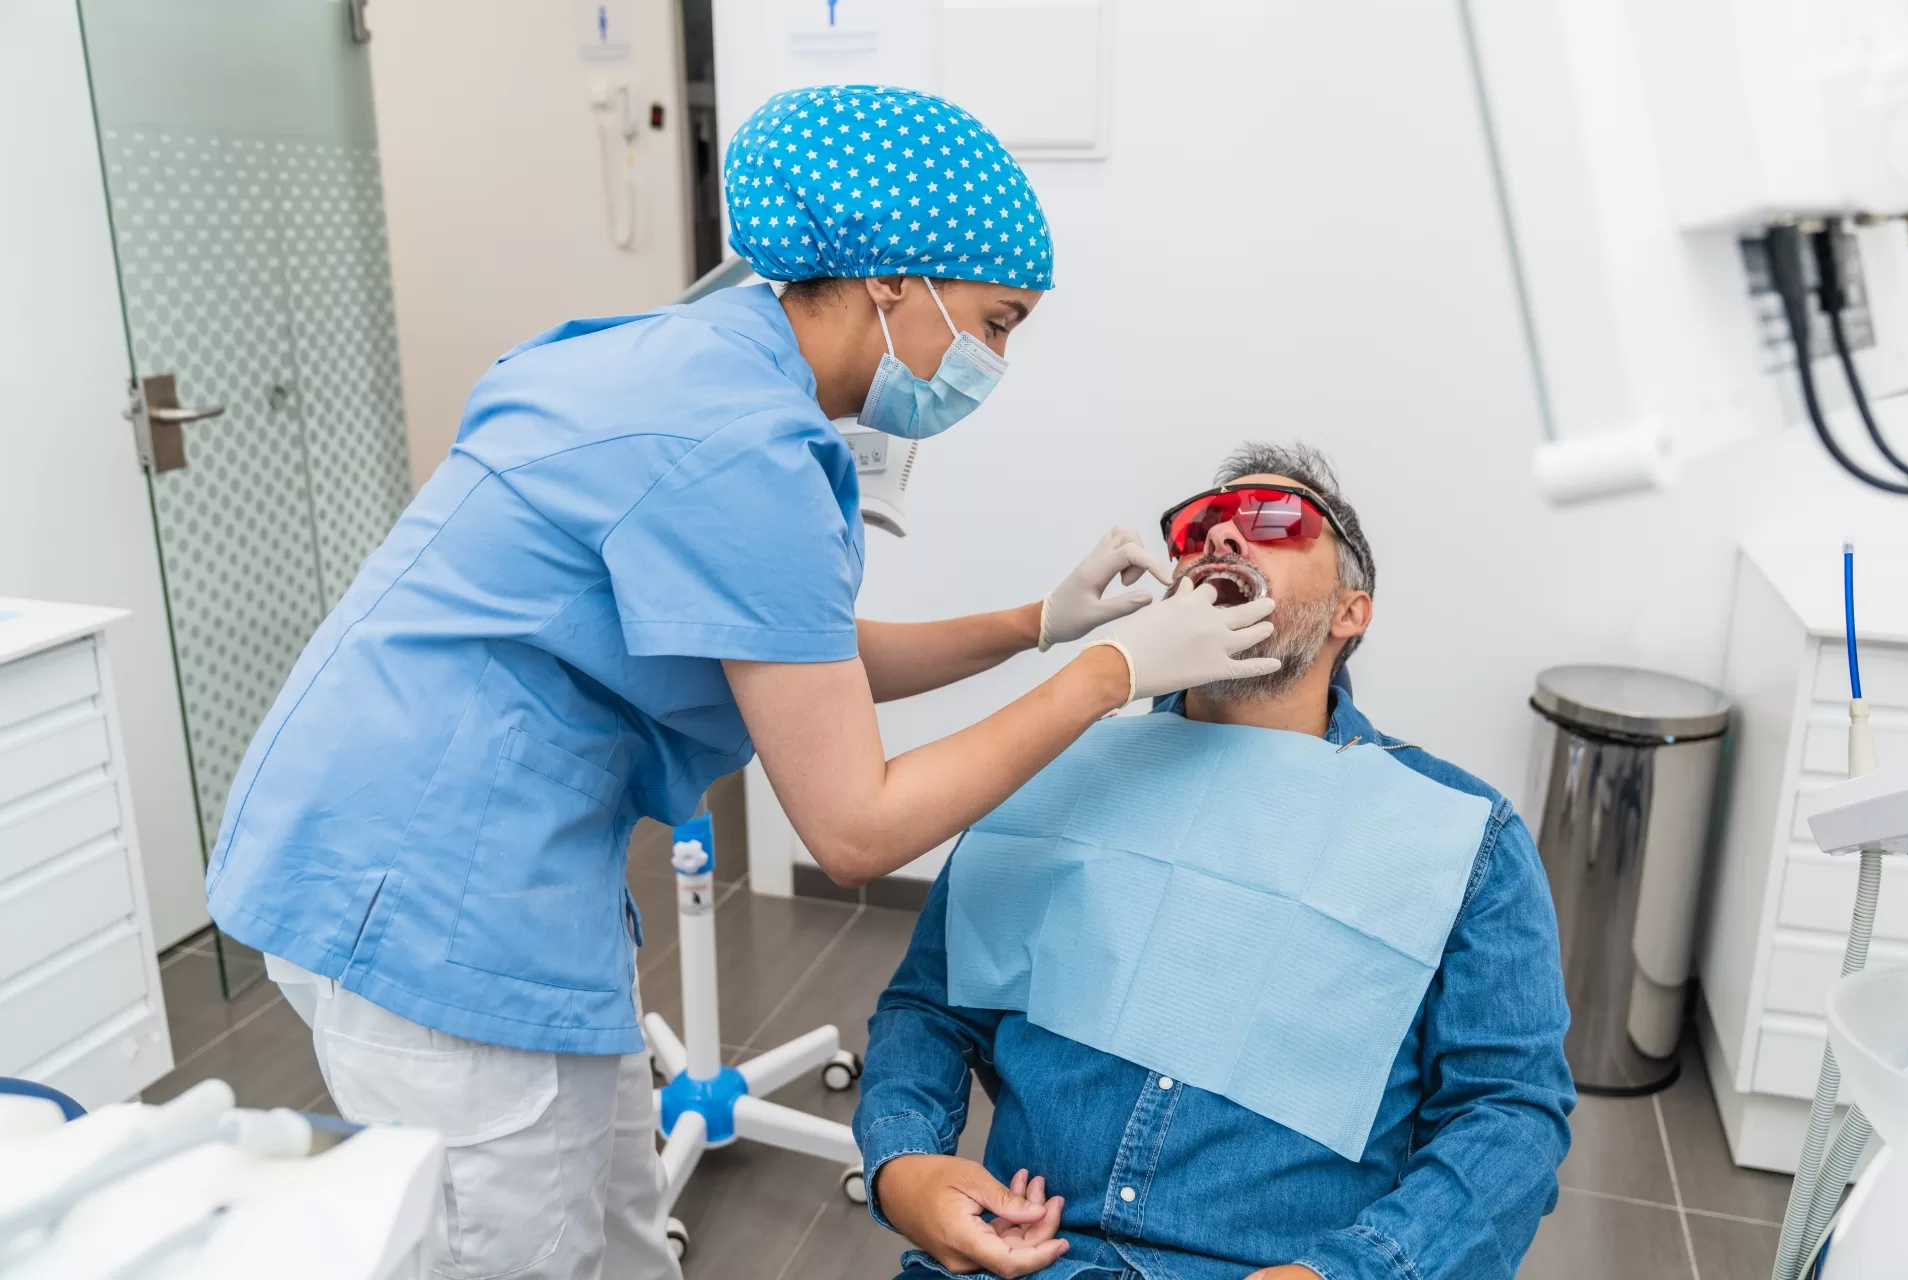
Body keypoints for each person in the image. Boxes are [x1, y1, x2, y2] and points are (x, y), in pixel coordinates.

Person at [200, 86, 1281, 1280]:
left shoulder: (693, 356)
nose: (992, 361)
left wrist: (1035, 623)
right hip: (426, 892)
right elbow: (856, 827)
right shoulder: (746, 446)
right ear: (891, 281)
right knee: (515, 1252)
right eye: (996, 321)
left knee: (612, 1230)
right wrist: (1113, 671)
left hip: (429, 837)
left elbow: (793, 650)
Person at [854, 443, 1577, 1280]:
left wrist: (1353, 1272)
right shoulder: (1057, 768)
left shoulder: (1456, 836)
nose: (1224, 537)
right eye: (1200, 525)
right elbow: (931, 1008)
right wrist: (904, 1163)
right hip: (1023, 1257)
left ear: (1352, 612)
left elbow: (1509, 1113)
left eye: (1276, 520)